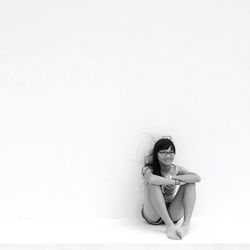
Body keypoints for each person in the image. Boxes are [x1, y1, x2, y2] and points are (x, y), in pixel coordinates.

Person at [141, 137, 201, 240]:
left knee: (190, 183)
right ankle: (169, 226)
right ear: (156, 154)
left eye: (171, 152)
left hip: (171, 212)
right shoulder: (149, 168)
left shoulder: (176, 169)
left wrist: (173, 177)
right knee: (153, 183)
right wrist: (173, 182)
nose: (168, 156)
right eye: (164, 153)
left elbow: (196, 177)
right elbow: (151, 179)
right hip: (153, 214)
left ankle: (186, 225)